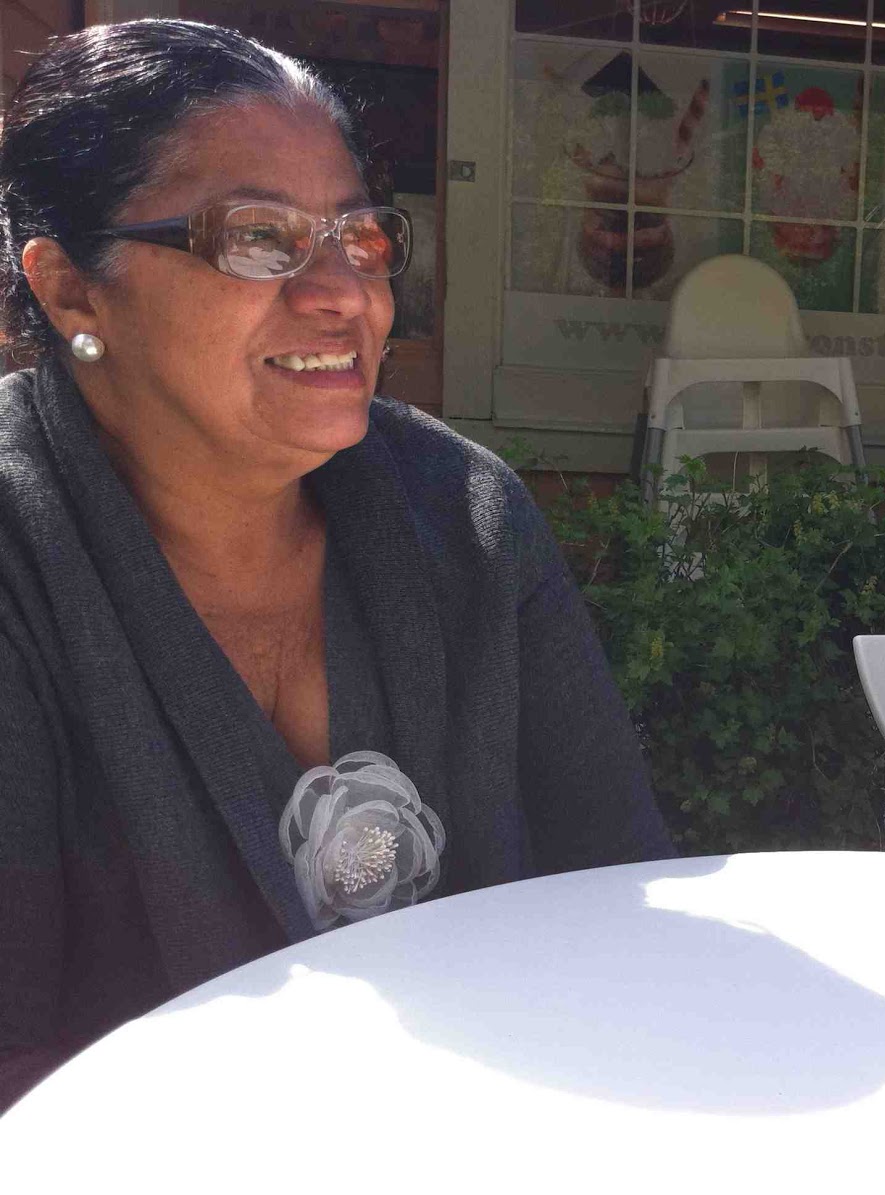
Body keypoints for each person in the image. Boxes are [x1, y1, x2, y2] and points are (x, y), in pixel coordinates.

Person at [0, 19, 673, 1110]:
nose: (345, 294)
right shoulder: (22, 560)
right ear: (73, 289)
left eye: (359, 238)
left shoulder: (465, 516)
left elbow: (620, 885)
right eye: (257, 237)